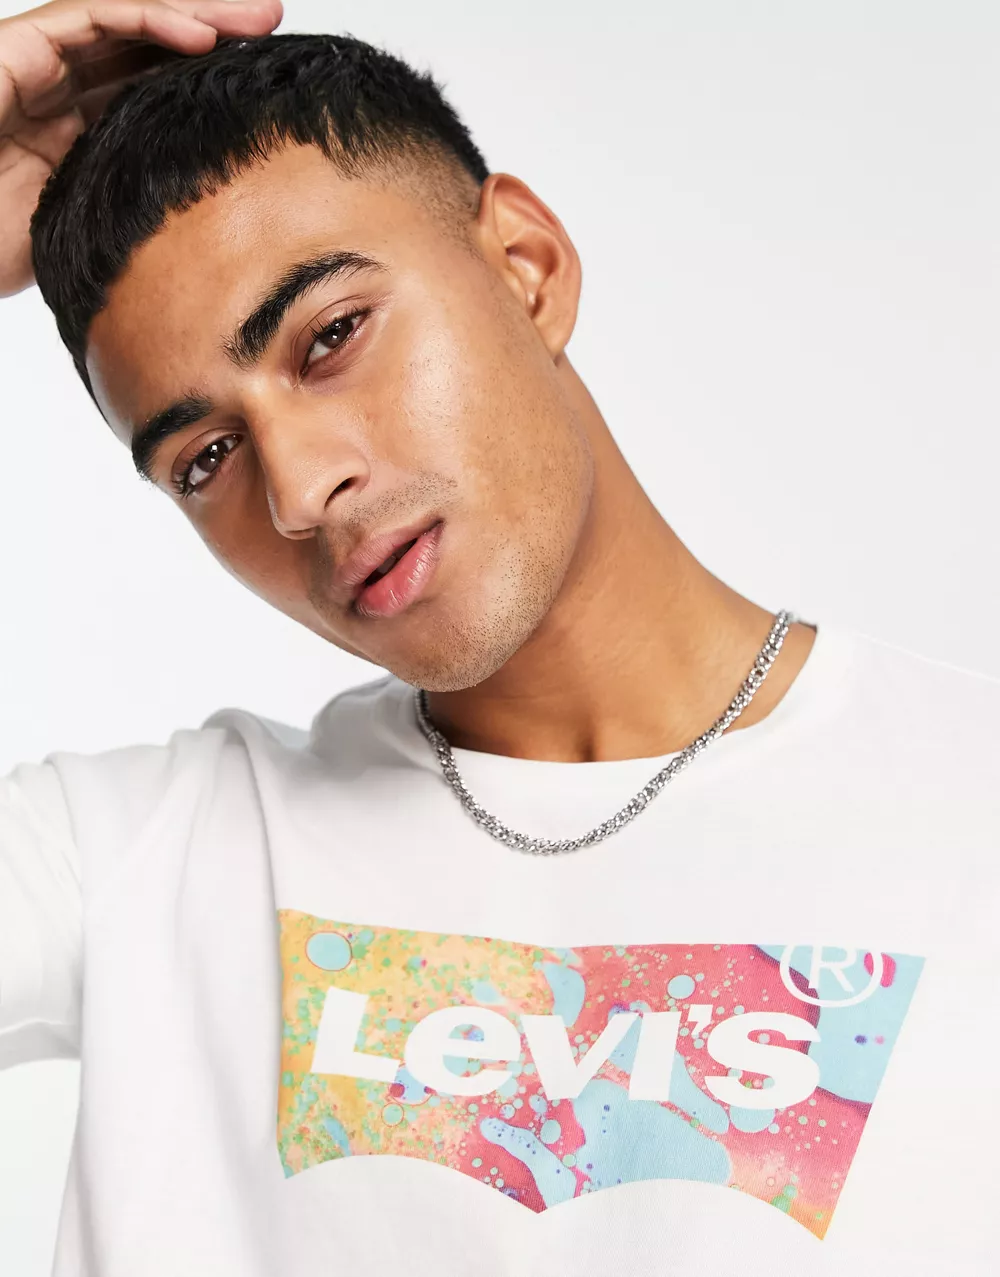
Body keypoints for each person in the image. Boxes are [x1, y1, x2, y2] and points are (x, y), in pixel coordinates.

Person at [0, 3, 995, 1274]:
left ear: (526, 267)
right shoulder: (138, 859)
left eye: (331, 337)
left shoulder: (967, 802)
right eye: (206, 456)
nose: (299, 490)